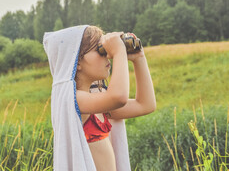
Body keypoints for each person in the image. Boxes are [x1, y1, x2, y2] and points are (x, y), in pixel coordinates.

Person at [43, 25, 156, 171]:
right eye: (99, 50)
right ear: (77, 63)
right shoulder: (75, 100)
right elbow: (118, 97)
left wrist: (139, 58)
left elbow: (145, 105)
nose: (106, 55)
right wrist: (118, 51)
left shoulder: (96, 103)